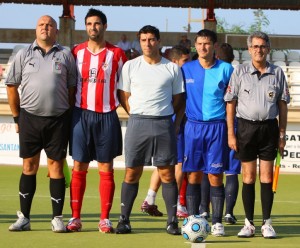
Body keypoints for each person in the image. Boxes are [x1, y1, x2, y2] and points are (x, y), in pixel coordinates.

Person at [6, 15, 76, 232]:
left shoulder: (65, 54)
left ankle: (57, 218)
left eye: (50, 25)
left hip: (58, 120)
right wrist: (18, 117)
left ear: (56, 31)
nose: (46, 28)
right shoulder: (23, 54)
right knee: (29, 166)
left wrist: (66, 114)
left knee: (56, 167)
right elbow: (11, 86)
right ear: (36, 29)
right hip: (29, 119)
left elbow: (72, 88)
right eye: (42, 25)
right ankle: (24, 218)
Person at [116, 25, 185, 235]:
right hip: (138, 123)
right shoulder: (130, 66)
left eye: (152, 39)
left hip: (163, 123)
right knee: (132, 172)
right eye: (144, 40)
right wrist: (136, 113)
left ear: (159, 41)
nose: (148, 43)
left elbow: (179, 99)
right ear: (139, 41)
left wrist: (172, 123)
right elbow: (123, 95)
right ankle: (124, 220)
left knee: (167, 173)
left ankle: (172, 222)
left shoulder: (171, 68)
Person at [66, 8, 127, 233]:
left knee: (106, 166)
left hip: (107, 115)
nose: (94, 27)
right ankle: (75, 218)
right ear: (86, 27)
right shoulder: (75, 53)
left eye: (98, 23)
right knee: (79, 165)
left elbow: (124, 87)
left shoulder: (117, 54)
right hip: (81, 115)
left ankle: (104, 219)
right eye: (90, 23)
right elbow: (70, 86)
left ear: (105, 26)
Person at [224, 31, 290, 239]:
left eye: (263, 46)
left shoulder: (277, 72)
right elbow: (230, 104)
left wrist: (281, 134)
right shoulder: (239, 72)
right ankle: (249, 224)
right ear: (249, 49)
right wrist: (231, 134)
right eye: (255, 46)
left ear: (268, 49)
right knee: (248, 177)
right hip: (246, 129)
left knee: (267, 177)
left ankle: (267, 223)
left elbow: (282, 106)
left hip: (269, 129)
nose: (259, 50)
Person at [181, 29, 233, 237]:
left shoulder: (226, 69)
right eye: (199, 44)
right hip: (193, 127)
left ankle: (217, 221)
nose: (203, 48)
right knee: (193, 174)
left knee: (215, 175)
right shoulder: (186, 69)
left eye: (207, 44)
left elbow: (232, 102)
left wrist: (231, 131)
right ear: (195, 46)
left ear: (214, 46)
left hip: (217, 127)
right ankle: (193, 218)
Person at [140, 45, 190, 219]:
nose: (188, 64)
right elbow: (180, 102)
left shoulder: (170, 74)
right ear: (175, 61)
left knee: (164, 164)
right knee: (179, 164)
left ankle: (149, 199)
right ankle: (176, 204)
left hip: (169, 124)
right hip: (175, 125)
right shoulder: (175, 75)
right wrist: (177, 123)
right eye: (185, 61)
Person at [199, 42, 241, 225]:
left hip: (213, 126)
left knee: (209, 170)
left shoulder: (214, 72)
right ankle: (228, 213)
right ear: (232, 59)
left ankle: (204, 209)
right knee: (231, 171)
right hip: (233, 126)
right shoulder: (235, 72)